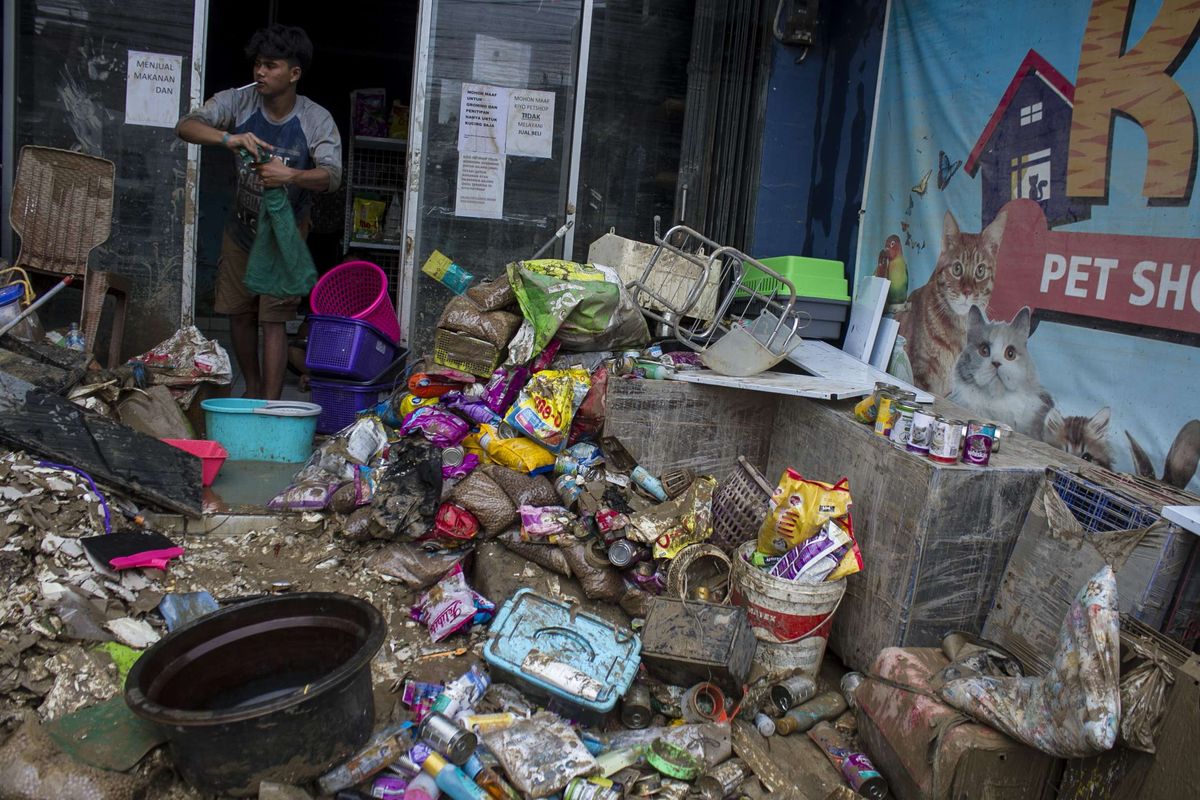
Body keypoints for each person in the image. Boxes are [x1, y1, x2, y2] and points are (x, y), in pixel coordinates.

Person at [176, 24, 341, 399]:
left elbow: (332, 176)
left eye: (271, 66)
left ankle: (269, 404)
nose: (260, 73)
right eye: (258, 65)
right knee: (238, 311)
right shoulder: (239, 100)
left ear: (294, 73)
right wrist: (227, 138)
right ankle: (251, 388)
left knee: (274, 319)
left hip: (284, 231)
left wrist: (292, 174)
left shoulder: (316, 119)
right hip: (240, 227)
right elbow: (185, 126)